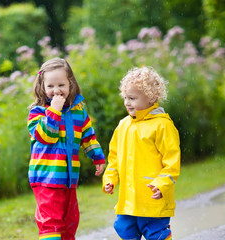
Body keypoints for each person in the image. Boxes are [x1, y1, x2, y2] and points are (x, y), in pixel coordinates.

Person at [27, 57, 105, 240]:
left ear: (70, 84)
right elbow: (47, 136)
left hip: (69, 178)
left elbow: (88, 136)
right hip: (46, 177)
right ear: (42, 87)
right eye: (50, 86)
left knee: (70, 222)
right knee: (51, 222)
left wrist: (97, 157)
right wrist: (53, 111)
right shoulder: (37, 112)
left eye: (61, 84)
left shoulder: (79, 112)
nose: (56, 91)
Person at [103, 66, 180, 240]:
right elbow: (114, 158)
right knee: (124, 228)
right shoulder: (123, 125)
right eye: (125, 98)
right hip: (128, 200)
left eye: (132, 98)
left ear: (151, 97)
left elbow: (172, 161)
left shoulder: (162, 126)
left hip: (152, 197)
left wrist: (162, 184)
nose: (127, 103)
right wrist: (110, 179)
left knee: (156, 233)